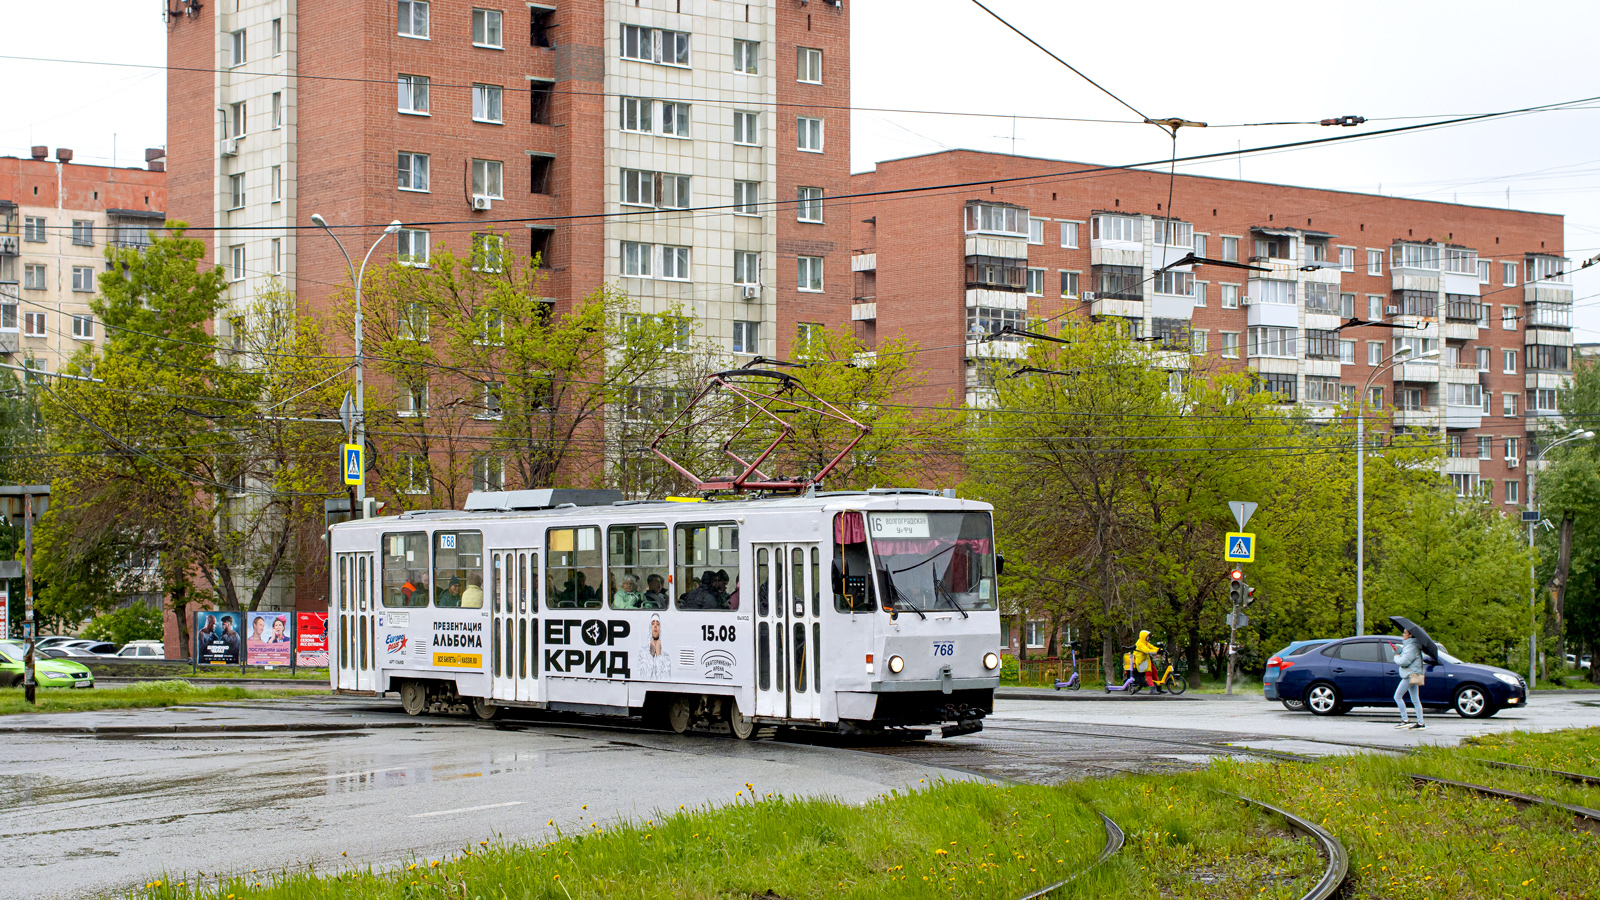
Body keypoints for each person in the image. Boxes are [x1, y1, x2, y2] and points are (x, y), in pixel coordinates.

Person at [1393, 628, 1427, 730]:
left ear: (1410, 635)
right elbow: (1406, 655)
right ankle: (1420, 723)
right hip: (1413, 675)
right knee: (1415, 699)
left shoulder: (1411, 647)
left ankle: (1405, 720)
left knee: (1397, 696)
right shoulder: (1412, 646)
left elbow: (1404, 661)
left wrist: (1396, 657)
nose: (1403, 634)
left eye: (1405, 633)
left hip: (1409, 675)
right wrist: (1397, 650)